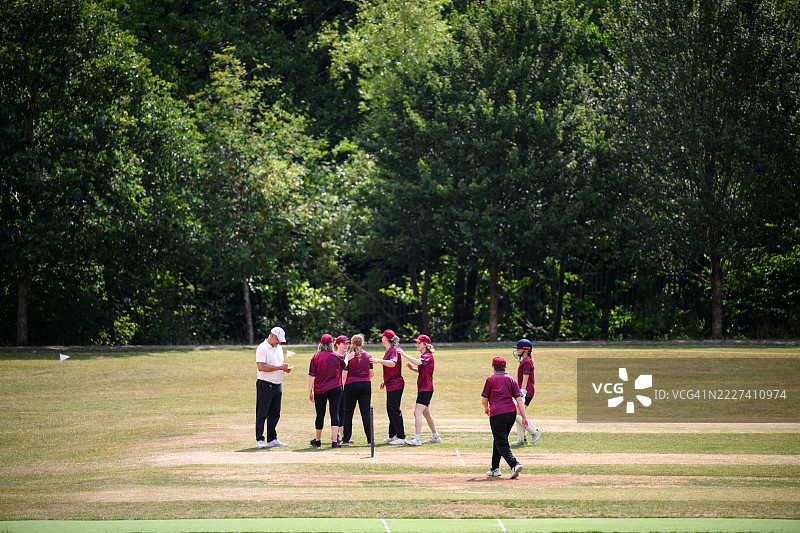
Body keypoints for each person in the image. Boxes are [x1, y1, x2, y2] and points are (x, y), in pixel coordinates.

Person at [481, 356, 529, 479]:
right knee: (499, 439)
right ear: (505, 367)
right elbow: (519, 399)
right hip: (511, 413)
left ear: (493, 367)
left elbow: (484, 400)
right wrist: (524, 417)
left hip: (497, 413)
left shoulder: (490, 379)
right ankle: (494, 468)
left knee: (501, 442)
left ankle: (514, 464)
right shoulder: (511, 379)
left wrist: (486, 409)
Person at [397, 334, 441, 446]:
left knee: (417, 412)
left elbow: (419, 362)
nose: (417, 345)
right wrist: (413, 369)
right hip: (424, 388)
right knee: (426, 413)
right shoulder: (425, 356)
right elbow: (423, 369)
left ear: (425, 345)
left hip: (426, 389)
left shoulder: (428, 356)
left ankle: (417, 439)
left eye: (419, 343)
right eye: (417, 343)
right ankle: (435, 436)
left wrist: (403, 354)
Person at [255, 326, 292, 448]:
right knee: (262, 413)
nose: (279, 342)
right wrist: (279, 368)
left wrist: (284, 369)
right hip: (265, 384)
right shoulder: (262, 348)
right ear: (272, 336)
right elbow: (261, 367)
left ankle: (272, 438)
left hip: (277, 385)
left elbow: (277, 364)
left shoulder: (279, 348)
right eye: (278, 339)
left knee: (275, 413)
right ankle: (260, 439)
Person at [308, 334, 346, 448]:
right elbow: (344, 365)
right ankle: (334, 441)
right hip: (335, 387)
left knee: (320, 414)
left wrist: (309, 391)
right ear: (331, 344)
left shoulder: (316, 357)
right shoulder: (337, 355)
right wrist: (347, 358)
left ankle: (318, 440)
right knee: (334, 413)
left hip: (320, 389)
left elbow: (312, 375)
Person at [370, 329, 406, 444]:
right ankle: (392, 435)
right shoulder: (389, 350)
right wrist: (384, 380)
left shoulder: (393, 350)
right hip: (391, 384)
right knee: (390, 410)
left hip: (396, 384)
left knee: (394, 410)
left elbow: (393, 363)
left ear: (385, 339)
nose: (382, 339)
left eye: (382, 337)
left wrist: (379, 361)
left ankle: (401, 436)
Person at [340, 334, 374, 445]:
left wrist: (343, 387)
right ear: (362, 343)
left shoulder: (348, 356)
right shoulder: (368, 356)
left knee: (348, 413)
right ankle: (370, 440)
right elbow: (371, 373)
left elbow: (344, 375)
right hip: (365, 384)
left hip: (351, 384)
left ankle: (345, 440)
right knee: (366, 413)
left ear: (352, 343)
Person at [511, 338, 542, 445]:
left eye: (519, 349)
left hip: (526, 391)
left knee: (516, 414)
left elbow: (526, 378)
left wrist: (522, 392)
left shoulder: (527, 361)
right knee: (517, 415)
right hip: (523, 390)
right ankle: (522, 440)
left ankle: (535, 432)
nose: (517, 351)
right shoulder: (525, 361)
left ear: (526, 350)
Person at [333, 335, 350, 443]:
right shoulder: (335, 356)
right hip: (337, 386)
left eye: (347, 343)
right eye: (343, 344)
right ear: (337, 345)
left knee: (343, 411)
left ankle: (343, 435)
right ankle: (338, 435)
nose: (346, 345)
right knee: (338, 411)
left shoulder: (347, 356)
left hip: (345, 387)